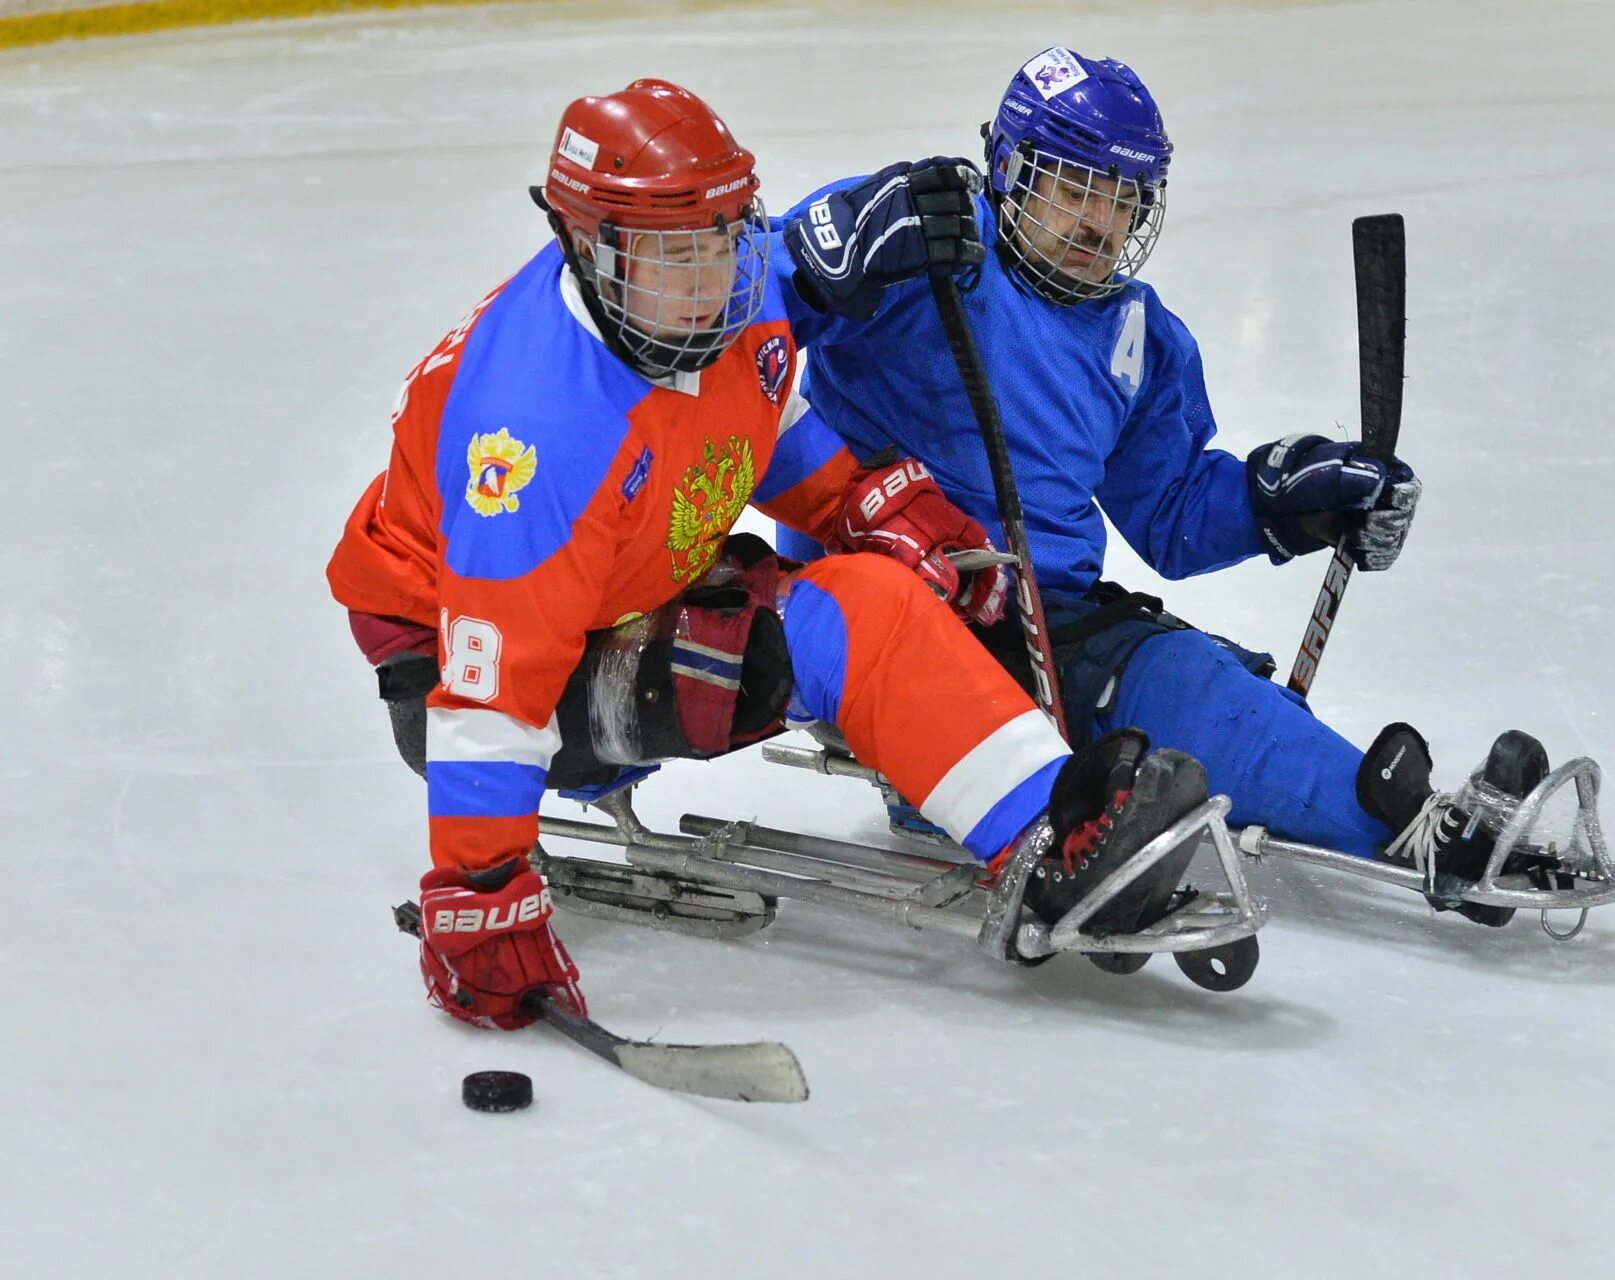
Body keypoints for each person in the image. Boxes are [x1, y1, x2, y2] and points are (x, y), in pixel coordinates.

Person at [327, 78, 1214, 1031]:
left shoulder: (710, 292)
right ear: (588, 245)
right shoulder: (532, 438)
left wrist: (858, 504)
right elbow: (491, 691)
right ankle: (1044, 838)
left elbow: (760, 405)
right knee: (783, 641)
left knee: (868, 593)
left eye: (722, 233)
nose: (713, 272)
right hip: (459, 667)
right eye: (677, 251)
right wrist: (479, 892)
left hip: (607, 586)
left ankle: (1052, 829)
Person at [771, 48, 1558, 926]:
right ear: (1008, 170)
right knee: (1124, 703)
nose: (1098, 223)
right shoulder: (924, 240)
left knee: (1191, 681)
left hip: (1051, 624)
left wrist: (1282, 500)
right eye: (1073, 188)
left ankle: (1425, 827)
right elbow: (738, 311)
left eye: (1122, 199)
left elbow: (1173, 513)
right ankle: (996, 789)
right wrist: (816, 261)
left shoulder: (1136, 333)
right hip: (896, 607)